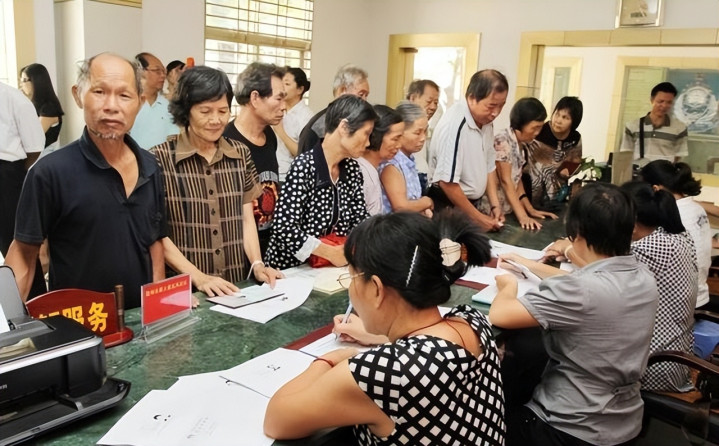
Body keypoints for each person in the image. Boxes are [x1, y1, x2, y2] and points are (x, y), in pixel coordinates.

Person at [264, 211, 505, 445]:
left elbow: (277, 420)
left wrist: (328, 361)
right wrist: (381, 337)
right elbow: (433, 346)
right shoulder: (473, 320)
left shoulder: (385, 372)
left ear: (376, 289)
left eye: (352, 278)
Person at [489, 182, 659, 446]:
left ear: (577, 233)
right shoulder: (644, 277)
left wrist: (508, 285)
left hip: (568, 427)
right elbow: (591, 278)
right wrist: (529, 264)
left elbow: (500, 314)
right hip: (625, 421)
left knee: (492, 412)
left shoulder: (581, 290)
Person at [4, 53, 167, 308]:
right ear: (78, 95)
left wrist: (159, 305)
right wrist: (6, 319)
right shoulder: (49, 172)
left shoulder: (150, 165)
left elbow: (154, 241)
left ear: (140, 102)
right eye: (99, 92)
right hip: (78, 322)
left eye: (124, 95)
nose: (111, 106)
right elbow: (24, 254)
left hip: (139, 320)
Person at [152, 66, 282, 297]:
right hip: (188, 293)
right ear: (186, 111)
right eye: (205, 111)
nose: (215, 120)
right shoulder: (158, 159)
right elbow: (156, 235)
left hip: (236, 287)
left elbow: (246, 218)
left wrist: (257, 264)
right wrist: (199, 278)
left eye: (223, 111)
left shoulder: (240, 154)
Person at [265, 95, 375, 270]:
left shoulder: (352, 169)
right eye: (366, 134)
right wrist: (329, 253)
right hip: (291, 270)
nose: (368, 142)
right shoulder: (305, 166)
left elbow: (360, 220)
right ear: (344, 127)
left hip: (330, 268)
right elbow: (284, 227)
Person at [427, 69, 508, 231]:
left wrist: (495, 205)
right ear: (471, 98)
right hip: (447, 205)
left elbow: (488, 164)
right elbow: (447, 183)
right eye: (491, 106)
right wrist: (479, 218)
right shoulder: (455, 126)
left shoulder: (485, 121)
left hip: (468, 205)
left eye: (501, 106)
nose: (496, 113)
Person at [223, 62, 286, 255]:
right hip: (238, 247)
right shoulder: (226, 141)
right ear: (255, 98)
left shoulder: (270, 135)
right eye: (279, 99)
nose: (284, 107)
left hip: (268, 244)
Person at [640, 160, 711, 309]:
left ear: (655, 189)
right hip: (700, 293)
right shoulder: (696, 208)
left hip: (680, 301)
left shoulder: (673, 214)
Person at [0, 81, 45, 298]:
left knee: (17, 245)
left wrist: (15, 175)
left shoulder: (14, 99)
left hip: (7, 175)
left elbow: (35, 146)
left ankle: (34, 304)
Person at [486, 97, 557, 230]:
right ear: (521, 124)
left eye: (540, 128)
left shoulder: (521, 144)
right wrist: (523, 217)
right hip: (492, 212)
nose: (537, 133)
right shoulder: (502, 141)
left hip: (508, 210)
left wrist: (530, 210)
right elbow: (506, 181)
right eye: (534, 128)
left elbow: (517, 181)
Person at [296, 64, 370, 154]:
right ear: (342, 90)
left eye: (366, 95)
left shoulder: (353, 122)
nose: (364, 101)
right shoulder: (319, 126)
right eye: (361, 94)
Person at [380, 101, 433, 216]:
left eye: (425, 131)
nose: (423, 138)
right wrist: (426, 202)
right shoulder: (392, 164)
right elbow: (401, 207)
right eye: (417, 132)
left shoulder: (409, 160)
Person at [528, 96, 583, 207]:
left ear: (574, 121)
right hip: (530, 189)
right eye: (557, 114)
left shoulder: (575, 138)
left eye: (565, 117)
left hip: (556, 194)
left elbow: (575, 161)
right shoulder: (539, 131)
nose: (558, 121)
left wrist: (567, 170)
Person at [621, 82, 688, 164]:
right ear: (652, 100)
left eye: (669, 102)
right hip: (639, 170)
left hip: (665, 171)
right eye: (660, 101)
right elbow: (625, 153)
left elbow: (679, 155)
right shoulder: (633, 126)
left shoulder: (680, 128)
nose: (664, 105)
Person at [357, 104, 403, 216]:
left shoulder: (374, 168)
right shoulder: (361, 171)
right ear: (376, 136)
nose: (399, 145)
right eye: (395, 139)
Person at [130, 52, 179, 149]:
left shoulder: (168, 106)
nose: (163, 76)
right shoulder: (128, 103)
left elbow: (174, 138)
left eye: (164, 72)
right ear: (140, 71)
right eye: (157, 71)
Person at [273, 67, 314, 183]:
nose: (282, 88)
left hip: (290, 178)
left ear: (300, 89)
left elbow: (304, 153)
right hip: (271, 174)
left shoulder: (306, 116)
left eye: (287, 84)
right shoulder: (276, 108)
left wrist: (280, 132)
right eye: (281, 84)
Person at [18, 63, 64, 153]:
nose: (20, 84)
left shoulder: (49, 108)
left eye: (23, 80)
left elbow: (32, 137)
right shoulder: (33, 105)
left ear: (36, 81)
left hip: (43, 155)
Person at [407, 79, 440, 192]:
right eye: (429, 101)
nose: (433, 107)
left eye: (436, 103)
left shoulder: (426, 126)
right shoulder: (399, 126)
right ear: (412, 98)